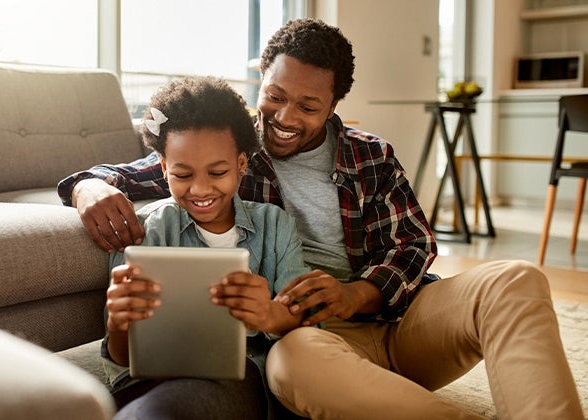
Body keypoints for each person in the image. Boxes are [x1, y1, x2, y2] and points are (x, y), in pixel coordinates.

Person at [59, 18, 583, 420]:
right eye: (276, 96)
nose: (286, 118)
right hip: (306, 338)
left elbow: (413, 244)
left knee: (515, 279)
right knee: (294, 362)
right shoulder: (235, 146)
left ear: (334, 103)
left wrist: (358, 294)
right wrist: (88, 186)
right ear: (261, 81)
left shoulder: (369, 155)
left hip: (398, 325)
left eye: (308, 106)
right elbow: (159, 169)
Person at [100, 76, 313, 419]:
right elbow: (123, 359)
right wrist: (119, 326)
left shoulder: (274, 226)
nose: (200, 189)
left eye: (217, 172)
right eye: (183, 175)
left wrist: (270, 313)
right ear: (164, 168)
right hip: (154, 383)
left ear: (242, 164)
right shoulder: (145, 232)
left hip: (239, 381)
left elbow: (304, 318)